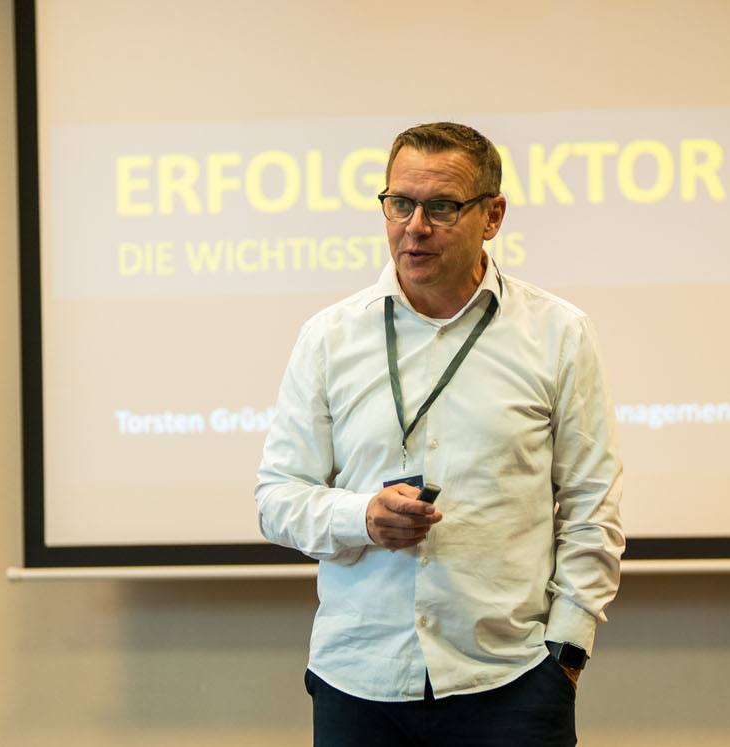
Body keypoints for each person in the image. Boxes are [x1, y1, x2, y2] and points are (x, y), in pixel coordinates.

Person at [256, 121, 624, 746]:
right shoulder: (329, 338)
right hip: (359, 679)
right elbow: (276, 498)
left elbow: (592, 506)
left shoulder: (558, 333)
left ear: (493, 216)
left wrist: (566, 651)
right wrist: (361, 517)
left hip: (511, 682)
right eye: (400, 203)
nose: (415, 226)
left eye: (442, 207)